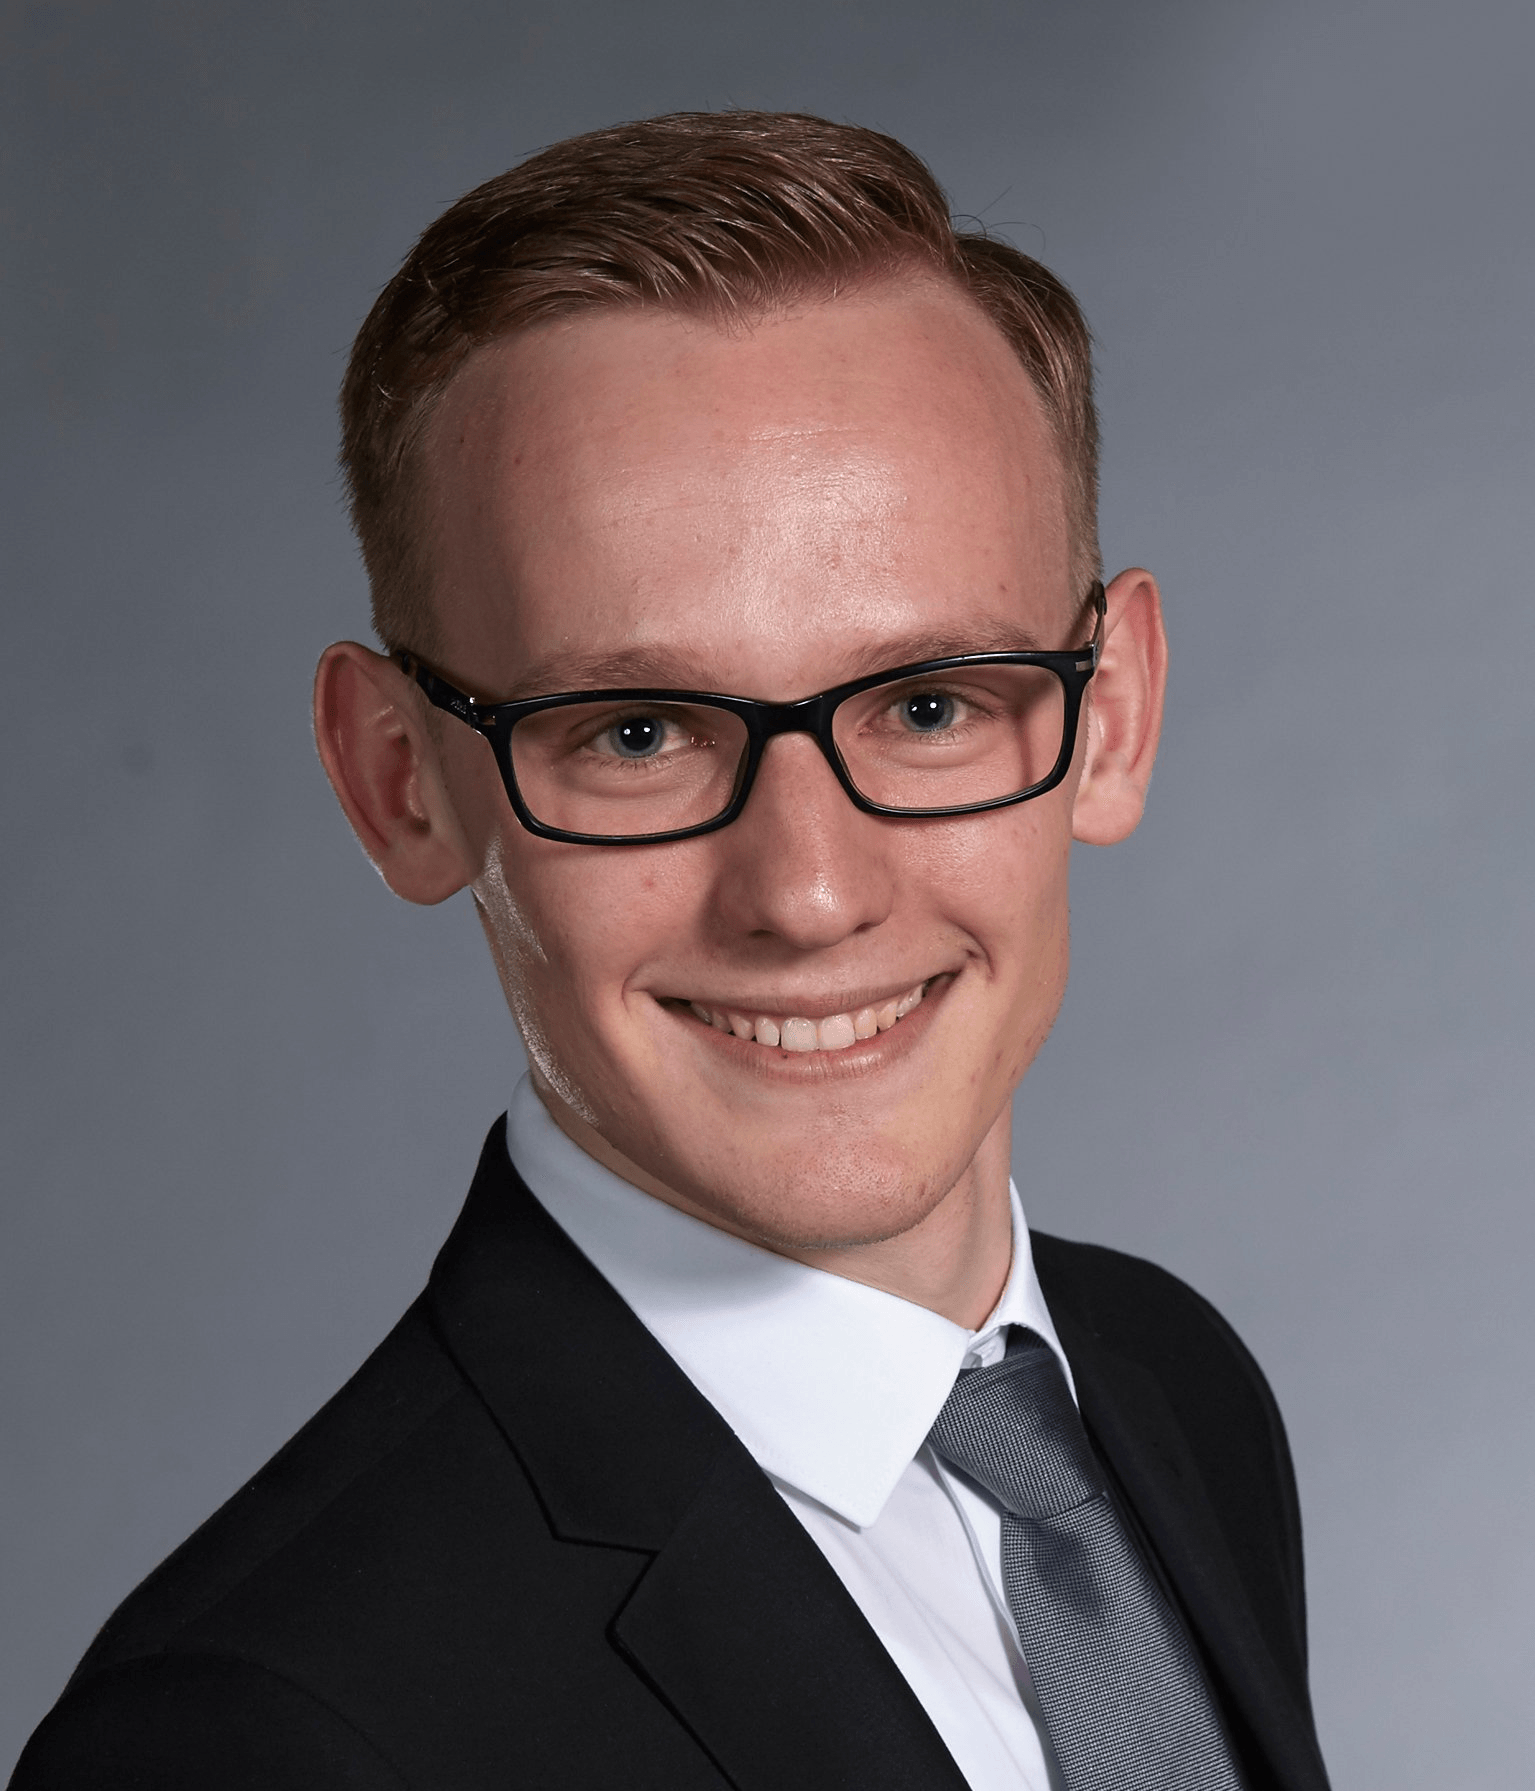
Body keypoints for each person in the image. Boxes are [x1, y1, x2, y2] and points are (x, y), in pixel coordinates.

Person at [12, 111, 1331, 1791]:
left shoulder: (1167, 1389)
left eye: (930, 704)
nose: (807, 890)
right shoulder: (254, 1738)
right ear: (397, 781)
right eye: (635, 732)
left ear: (1112, 715)